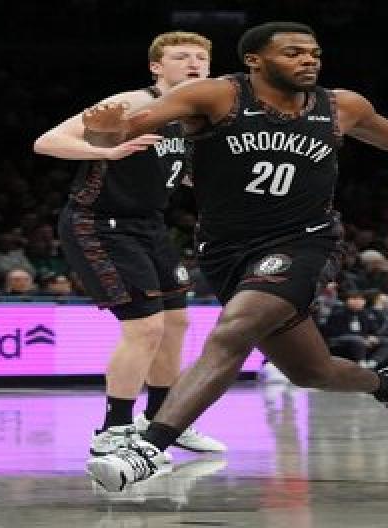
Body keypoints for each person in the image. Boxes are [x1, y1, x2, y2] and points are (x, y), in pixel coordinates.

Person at [77, 22, 388, 492]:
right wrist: (104, 131)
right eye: (292, 53)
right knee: (312, 371)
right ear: (254, 61)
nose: (309, 60)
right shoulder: (217, 97)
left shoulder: (341, 105)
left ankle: (148, 447)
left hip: (306, 241)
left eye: (314, 53)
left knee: (234, 330)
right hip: (226, 251)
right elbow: (123, 133)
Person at [34, 31, 226, 459]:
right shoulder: (132, 104)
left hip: (150, 225)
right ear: (157, 67)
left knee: (177, 323)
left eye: (201, 58)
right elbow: (46, 142)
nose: (194, 63)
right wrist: (109, 152)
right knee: (145, 327)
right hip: (100, 223)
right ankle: (113, 429)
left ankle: (164, 422)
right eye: (181, 57)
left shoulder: (199, 117)